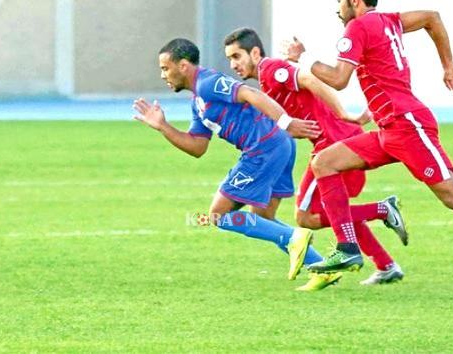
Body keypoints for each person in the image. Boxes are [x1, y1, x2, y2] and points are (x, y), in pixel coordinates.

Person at [283, 0, 453, 273]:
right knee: (324, 163)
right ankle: (347, 248)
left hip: (406, 124)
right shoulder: (389, 21)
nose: (337, 7)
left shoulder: (357, 28)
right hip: (388, 129)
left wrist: (302, 58)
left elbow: (339, 79)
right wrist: (447, 65)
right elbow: (431, 17)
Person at [133, 38, 339, 289]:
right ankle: (321, 269)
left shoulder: (208, 83)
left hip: (264, 147)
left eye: (166, 68)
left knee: (218, 215)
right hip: (278, 145)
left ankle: (295, 236)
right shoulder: (198, 102)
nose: (163, 75)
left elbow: (249, 93)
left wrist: (286, 122)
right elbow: (197, 147)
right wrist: (163, 127)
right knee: (263, 217)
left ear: (184, 65)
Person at [223, 27, 408, 287]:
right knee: (337, 210)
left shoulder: (270, 69)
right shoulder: (265, 85)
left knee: (305, 217)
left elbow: (310, 80)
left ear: (255, 52)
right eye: (229, 59)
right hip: (338, 140)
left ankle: (382, 209)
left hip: (333, 145)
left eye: (237, 56)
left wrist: (342, 112)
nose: (233, 64)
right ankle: (386, 265)